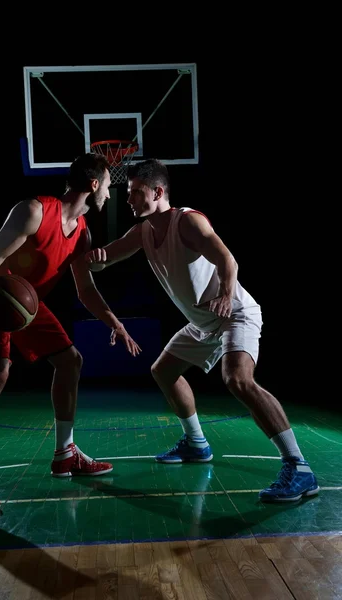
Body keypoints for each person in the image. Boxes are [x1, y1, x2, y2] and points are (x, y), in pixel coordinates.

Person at [84, 158, 319, 503]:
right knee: (163, 370)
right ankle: (196, 443)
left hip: (235, 313)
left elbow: (227, 259)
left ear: (158, 192)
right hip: (204, 322)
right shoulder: (143, 232)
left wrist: (226, 293)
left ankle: (298, 467)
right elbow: (108, 258)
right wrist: (91, 255)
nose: (130, 198)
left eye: (136, 192)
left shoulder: (188, 222)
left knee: (238, 380)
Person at [0, 153, 141, 512]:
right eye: (109, 188)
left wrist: (114, 322)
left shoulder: (82, 233)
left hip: (24, 301)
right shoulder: (34, 211)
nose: (111, 196)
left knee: (70, 361)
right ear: (94, 184)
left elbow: (85, 290)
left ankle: (65, 453)